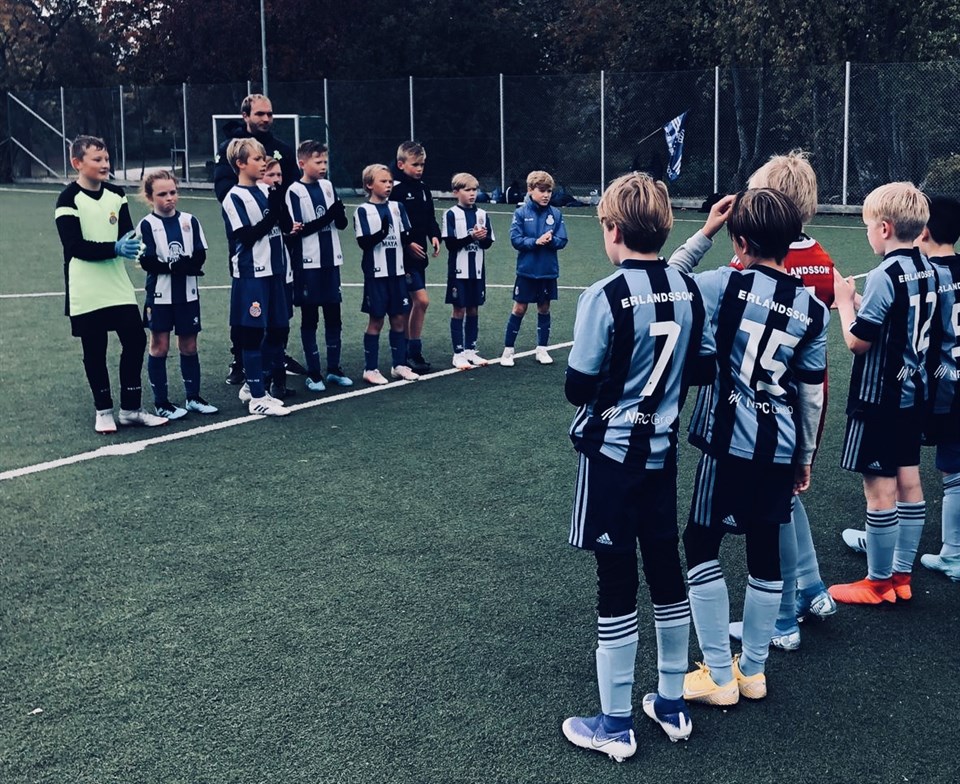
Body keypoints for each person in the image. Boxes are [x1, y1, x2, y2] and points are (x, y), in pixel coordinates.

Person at [560, 173, 716, 762]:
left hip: (612, 457)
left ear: (613, 229)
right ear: (665, 228)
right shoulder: (686, 287)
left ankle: (615, 724)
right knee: (665, 568)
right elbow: (703, 368)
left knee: (617, 576)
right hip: (661, 453)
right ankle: (672, 704)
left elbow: (578, 387)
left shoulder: (602, 295)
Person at [670, 189, 828, 706]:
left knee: (700, 544)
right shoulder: (813, 308)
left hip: (726, 443)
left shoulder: (723, 283)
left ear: (739, 241)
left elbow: (668, 279)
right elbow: (810, 393)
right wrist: (804, 456)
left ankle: (719, 674)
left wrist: (705, 232)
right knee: (764, 552)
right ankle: (753, 672)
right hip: (779, 445)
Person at [726, 151, 838, 651]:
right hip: (806, 394)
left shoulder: (754, 263)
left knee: (772, 510)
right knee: (788, 499)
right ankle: (812, 586)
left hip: (766, 401)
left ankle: (784, 614)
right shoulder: (822, 259)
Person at [829, 183, 937, 604]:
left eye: (868, 227)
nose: (868, 234)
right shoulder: (928, 268)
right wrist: (861, 299)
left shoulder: (885, 275)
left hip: (878, 398)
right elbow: (898, 318)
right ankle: (901, 576)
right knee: (910, 482)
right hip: (912, 394)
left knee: (879, 491)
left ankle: (877, 584)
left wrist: (845, 303)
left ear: (886, 228)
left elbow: (859, 342)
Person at [55, 135, 168, 433]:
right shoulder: (68, 199)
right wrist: (114, 248)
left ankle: (131, 409)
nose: (105, 164)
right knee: (95, 348)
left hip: (117, 285)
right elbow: (74, 246)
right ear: (77, 163)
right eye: (97, 159)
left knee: (135, 340)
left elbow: (127, 234)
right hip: (86, 288)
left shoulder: (117, 194)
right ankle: (103, 410)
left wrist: (135, 246)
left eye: (106, 158)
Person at [213, 93, 305, 385]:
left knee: (279, 308)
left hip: (278, 242)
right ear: (246, 116)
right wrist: (265, 211)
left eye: (269, 113)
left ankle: (276, 358)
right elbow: (225, 191)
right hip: (248, 244)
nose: (266, 119)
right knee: (249, 309)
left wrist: (283, 214)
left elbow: (291, 190)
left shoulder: (282, 149)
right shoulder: (231, 150)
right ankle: (241, 360)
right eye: (260, 114)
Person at [221, 136, 295, 417]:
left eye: (264, 158)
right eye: (257, 159)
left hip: (276, 272)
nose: (263, 163)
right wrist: (273, 212)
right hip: (252, 274)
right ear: (240, 164)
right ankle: (257, 397)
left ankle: (253, 387)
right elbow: (247, 237)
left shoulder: (267, 189)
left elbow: (286, 226)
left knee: (278, 331)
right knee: (252, 335)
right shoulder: (233, 198)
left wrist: (278, 201)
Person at [137, 170, 218, 420]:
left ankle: (193, 398)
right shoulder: (147, 225)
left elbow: (200, 253)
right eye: (162, 194)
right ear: (150, 197)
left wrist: (190, 265)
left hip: (188, 295)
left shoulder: (190, 221)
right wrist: (173, 266)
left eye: (172, 192)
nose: (169, 198)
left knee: (189, 345)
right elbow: (147, 261)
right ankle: (162, 403)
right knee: (159, 346)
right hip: (160, 296)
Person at [285, 140, 353, 390]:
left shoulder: (328, 186)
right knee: (310, 317)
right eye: (318, 162)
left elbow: (341, 223)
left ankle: (334, 369)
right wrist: (329, 215)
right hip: (308, 264)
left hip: (331, 261)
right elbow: (299, 230)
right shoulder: (294, 191)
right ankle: (313, 373)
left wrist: (339, 214)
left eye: (325, 161)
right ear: (302, 163)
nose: (324, 166)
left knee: (334, 315)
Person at [918, 196, 960, 581]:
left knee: (897, 460)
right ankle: (953, 553)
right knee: (955, 468)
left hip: (934, 387)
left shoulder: (925, 275)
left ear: (924, 230)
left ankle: (885, 536)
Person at [354, 164, 418, 385]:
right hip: (376, 274)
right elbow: (364, 243)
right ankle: (370, 368)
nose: (388, 185)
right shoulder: (363, 211)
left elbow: (406, 235)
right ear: (369, 185)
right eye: (383, 181)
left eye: (390, 181)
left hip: (397, 273)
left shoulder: (398, 207)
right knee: (377, 320)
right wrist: (381, 233)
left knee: (399, 319)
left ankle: (399, 365)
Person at [501, 170, 568, 367]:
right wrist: (535, 241)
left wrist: (551, 240)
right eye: (542, 190)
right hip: (527, 271)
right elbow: (516, 240)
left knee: (544, 308)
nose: (546, 195)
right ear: (530, 190)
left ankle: (542, 349)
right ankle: (508, 350)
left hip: (547, 271)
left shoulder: (556, 214)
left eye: (549, 191)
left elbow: (563, 240)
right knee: (519, 308)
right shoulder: (521, 213)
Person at [390, 141, 441, 374]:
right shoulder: (395, 189)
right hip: (403, 257)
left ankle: (409, 353)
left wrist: (434, 235)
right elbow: (392, 222)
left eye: (422, 165)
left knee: (410, 303)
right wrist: (407, 242)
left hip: (419, 256)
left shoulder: (423, 188)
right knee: (421, 301)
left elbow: (429, 217)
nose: (419, 169)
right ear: (401, 164)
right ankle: (411, 351)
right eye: (415, 165)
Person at [442, 173, 495, 369]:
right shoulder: (451, 214)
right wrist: (472, 237)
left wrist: (482, 238)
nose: (472, 194)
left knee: (474, 308)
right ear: (456, 192)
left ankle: (470, 350)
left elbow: (488, 243)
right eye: (467, 190)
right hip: (458, 271)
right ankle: (458, 353)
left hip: (477, 271)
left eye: (474, 190)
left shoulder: (482, 214)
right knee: (459, 309)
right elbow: (451, 245)